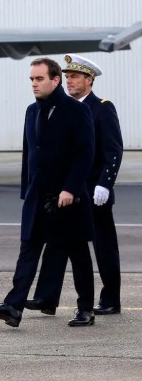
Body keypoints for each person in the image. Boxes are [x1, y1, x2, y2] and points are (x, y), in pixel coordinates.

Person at [0, 57, 96, 327]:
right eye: (31, 79)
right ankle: (13, 307)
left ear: (55, 80)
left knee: (78, 253)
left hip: (68, 199)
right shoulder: (31, 111)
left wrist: (70, 188)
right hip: (37, 196)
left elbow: (85, 154)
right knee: (28, 250)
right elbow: (29, 155)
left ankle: (86, 309)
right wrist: (27, 190)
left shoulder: (76, 111)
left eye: (39, 78)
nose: (34, 84)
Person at [26, 54, 123, 316]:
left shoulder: (102, 108)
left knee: (103, 247)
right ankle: (47, 298)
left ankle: (111, 298)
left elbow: (113, 151)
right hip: (68, 191)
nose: (69, 81)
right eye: (67, 77)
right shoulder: (61, 108)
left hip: (94, 191)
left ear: (89, 80)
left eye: (75, 77)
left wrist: (104, 184)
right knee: (60, 243)